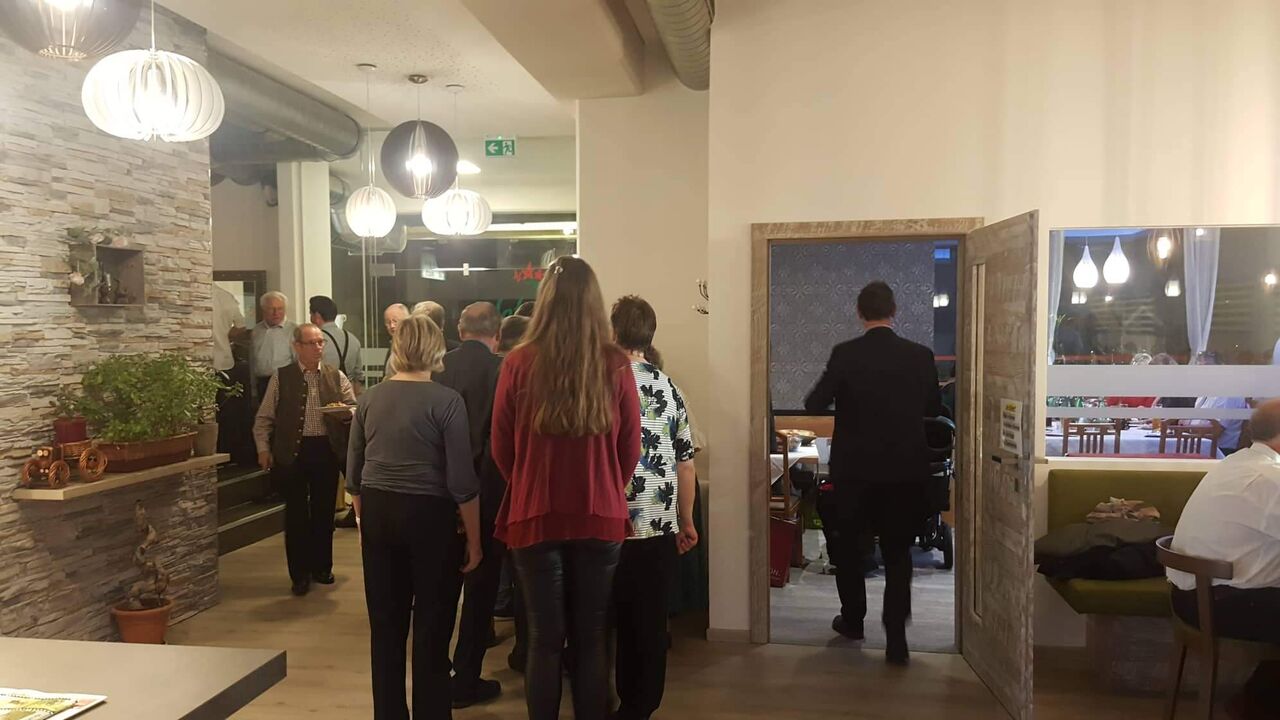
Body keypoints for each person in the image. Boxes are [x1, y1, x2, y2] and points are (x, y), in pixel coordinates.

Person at [491, 256, 640, 720]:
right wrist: (605, 486)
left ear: (545, 301)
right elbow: (630, 448)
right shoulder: (615, 364)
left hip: (535, 514)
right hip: (599, 513)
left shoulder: (518, 362)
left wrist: (529, 482)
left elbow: (501, 447)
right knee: (592, 639)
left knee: (543, 640)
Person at [346, 314, 483, 720]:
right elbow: (462, 483)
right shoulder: (447, 401)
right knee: (433, 626)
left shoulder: (369, 399)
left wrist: (362, 525)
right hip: (429, 517)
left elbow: (354, 476)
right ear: (436, 349)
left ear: (397, 348)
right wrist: (475, 542)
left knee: (385, 627)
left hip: (379, 511)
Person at [804, 280, 944, 665]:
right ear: (894, 311)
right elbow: (934, 407)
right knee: (898, 554)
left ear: (859, 313)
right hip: (905, 472)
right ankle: (896, 639)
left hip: (855, 473)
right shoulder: (920, 356)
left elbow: (814, 402)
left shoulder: (845, 354)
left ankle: (853, 621)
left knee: (849, 550)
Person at [609, 296, 699, 720]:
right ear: (650, 335)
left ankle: (609, 697)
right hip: (659, 520)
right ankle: (641, 705)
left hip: (610, 519)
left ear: (613, 331)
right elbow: (685, 462)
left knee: (608, 619)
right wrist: (686, 520)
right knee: (649, 619)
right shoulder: (669, 387)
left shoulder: (602, 382)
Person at [1168, 399, 1280, 715]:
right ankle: (1256, 704)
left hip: (1195, 596)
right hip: (1219, 603)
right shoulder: (1269, 479)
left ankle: (1254, 703)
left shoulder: (1236, 464)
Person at [434, 302, 506, 708]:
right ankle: (465, 678)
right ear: (497, 334)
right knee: (481, 591)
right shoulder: (503, 370)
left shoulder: (438, 366)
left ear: (460, 331)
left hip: (439, 490)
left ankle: (434, 673)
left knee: (440, 588)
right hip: (488, 491)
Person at [253, 323, 356, 596]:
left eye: (321, 342)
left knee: (324, 512)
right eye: (312, 343)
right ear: (296, 346)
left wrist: (346, 414)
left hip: (326, 450)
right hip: (292, 451)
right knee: (296, 514)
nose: (318, 347)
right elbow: (264, 418)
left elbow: (354, 410)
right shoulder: (281, 377)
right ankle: (299, 574)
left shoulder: (336, 376)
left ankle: (322, 567)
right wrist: (263, 449)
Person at [310, 295, 364, 391]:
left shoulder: (314, 341)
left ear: (317, 316)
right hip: (347, 392)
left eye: (311, 314)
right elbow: (358, 377)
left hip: (323, 392)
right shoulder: (353, 339)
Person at [251, 291, 296, 401]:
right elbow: (253, 361)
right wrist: (253, 389)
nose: (276, 313)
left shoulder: (294, 330)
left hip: (285, 382)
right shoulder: (256, 330)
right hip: (262, 383)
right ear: (263, 310)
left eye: (280, 308)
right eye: (271, 309)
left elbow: (298, 361)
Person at [382, 303, 410, 379]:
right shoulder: (393, 345)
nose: (392, 326)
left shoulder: (413, 347)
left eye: (395, 321)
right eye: (388, 322)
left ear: (407, 321)